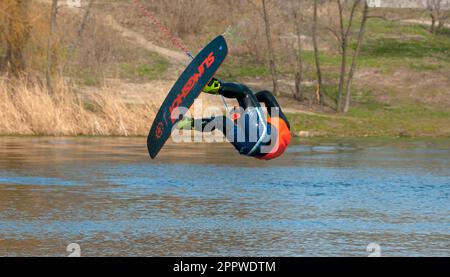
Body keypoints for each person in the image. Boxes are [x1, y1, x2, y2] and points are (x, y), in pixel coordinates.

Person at [178, 78, 291, 160]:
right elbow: (267, 96)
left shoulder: (277, 125)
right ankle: (186, 123)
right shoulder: (280, 125)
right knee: (220, 122)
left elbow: (266, 95)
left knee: (244, 92)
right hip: (249, 150)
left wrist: (248, 99)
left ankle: (215, 86)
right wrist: (246, 104)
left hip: (264, 140)